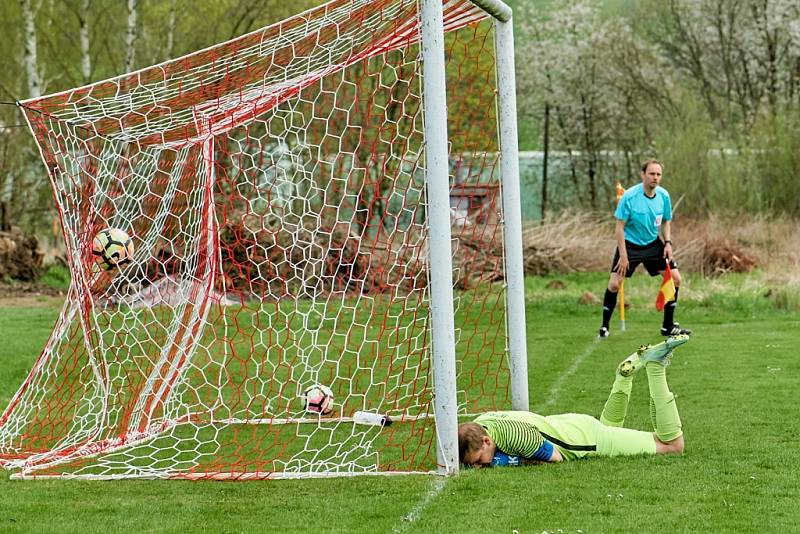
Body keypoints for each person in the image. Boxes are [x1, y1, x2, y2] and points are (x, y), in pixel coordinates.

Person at [458, 335, 689, 467]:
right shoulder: (482, 421)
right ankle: (622, 380)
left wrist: (507, 462)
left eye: (478, 460)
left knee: (672, 446)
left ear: (487, 441)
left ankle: (656, 367)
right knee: (610, 429)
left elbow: (555, 459)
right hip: (572, 425)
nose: (479, 466)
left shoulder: (516, 436)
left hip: (587, 439)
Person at [598, 159, 691, 339]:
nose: (655, 178)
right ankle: (604, 326)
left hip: (653, 244)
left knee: (676, 279)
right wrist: (623, 256)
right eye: (651, 174)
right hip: (630, 245)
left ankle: (668, 326)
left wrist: (668, 243)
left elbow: (666, 222)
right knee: (614, 284)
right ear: (643, 175)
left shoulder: (664, 196)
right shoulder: (630, 196)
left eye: (658, 174)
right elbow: (619, 228)